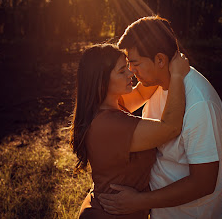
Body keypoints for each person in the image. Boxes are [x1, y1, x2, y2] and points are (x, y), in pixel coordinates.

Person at [98, 16, 222, 219]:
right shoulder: (155, 84)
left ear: (160, 60)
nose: (131, 72)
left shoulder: (199, 104)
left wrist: (139, 201)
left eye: (135, 64)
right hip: (160, 210)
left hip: (190, 214)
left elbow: (204, 182)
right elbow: (118, 105)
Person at [70, 43, 190, 219]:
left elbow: (142, 93)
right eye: (121, 71)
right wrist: (178, 76)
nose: (130, 73)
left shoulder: (111, 105)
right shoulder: (109, 125)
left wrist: (161, 65)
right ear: (101, 81)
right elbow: (170, 127)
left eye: (127, 67)